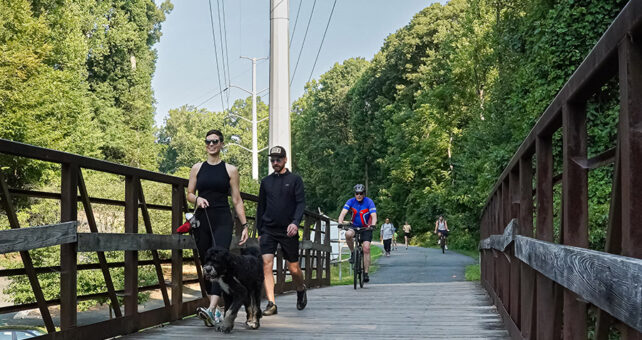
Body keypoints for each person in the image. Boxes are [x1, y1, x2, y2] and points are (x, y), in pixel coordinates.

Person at [187, 129, 250, 327]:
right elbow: (188, 194)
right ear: (205, 144)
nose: (211, 144)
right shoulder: (197, 168)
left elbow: (237, 200)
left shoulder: (230, 170)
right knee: (206, 264)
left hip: (222, 219)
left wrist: (245, 224)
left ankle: (211, 308)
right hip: (202, 219)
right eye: (208, 142)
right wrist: (198, 198)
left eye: (215, 141)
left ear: (221, 144)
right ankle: (217, 309)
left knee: (217, 261)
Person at [257, 146, 307, 316]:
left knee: (293, 268)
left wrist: (295, 222)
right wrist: (260, 231)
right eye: (272, 160)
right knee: (266, 264)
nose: (275, 163)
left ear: (285, 160)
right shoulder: (266, 182)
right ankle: (271, 303)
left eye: (278, 159)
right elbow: (260, 207)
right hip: (268, 229)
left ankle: (300, 288)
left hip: (288, 230)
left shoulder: (294, 180)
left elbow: (300, 203)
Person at [337, 184, 377, 283]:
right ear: (354, 194)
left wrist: (373, 224)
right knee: (348, 235)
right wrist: (340, 222)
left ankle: (366, 273)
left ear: (364, 194)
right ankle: (353, 252)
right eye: (357, 193)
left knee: (366, 248)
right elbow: (343, 213)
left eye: (361, 193)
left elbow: (374, 215)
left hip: (366, 227)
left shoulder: (369, 202)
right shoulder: (350, 201)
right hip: (354, 226)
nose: (359, 195)